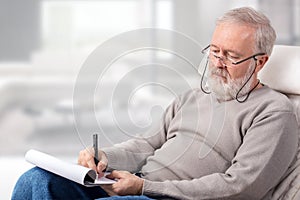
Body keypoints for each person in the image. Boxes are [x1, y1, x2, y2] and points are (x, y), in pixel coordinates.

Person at [12, 7, 298, 200]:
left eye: (231, 56)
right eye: (214, 51)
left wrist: (146, 187)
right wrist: (104, 157)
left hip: (167, 196)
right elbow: (146, 145)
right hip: (136, 186)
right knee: (36, 181)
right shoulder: (193, 97)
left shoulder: (274, 112)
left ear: (261, 61)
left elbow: (242, 187)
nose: (218, 63)